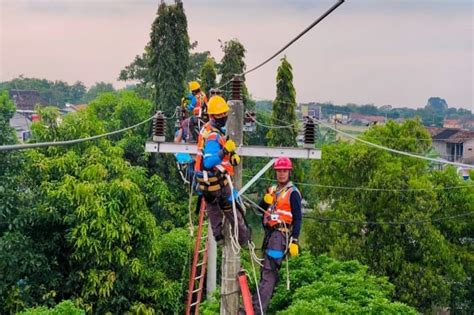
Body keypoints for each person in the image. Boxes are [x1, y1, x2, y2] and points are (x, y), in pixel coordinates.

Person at [194, 95, 250, 245]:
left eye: (224, 113)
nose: (223, 116)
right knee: (232, 208)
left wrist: (231, 155)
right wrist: (225, 151)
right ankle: (244, 238)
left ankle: (218, 236)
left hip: (204, 182)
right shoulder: (213, 135)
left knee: (212, 207)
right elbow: (209, 161)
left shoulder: (206, 129)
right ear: (212, 115)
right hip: (217, 182)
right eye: (220, 114)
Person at [252, 157, 302, 314]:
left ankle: (257, 310)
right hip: (270, 235)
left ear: (289, 172)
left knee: (269, 273)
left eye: (284, 171)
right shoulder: (272, 190)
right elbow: (259, 210)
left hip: (280, 236)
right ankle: (257, 306)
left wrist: (294, 240)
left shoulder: (292, 193)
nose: (281, 174)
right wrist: (265, 201)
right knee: (265, 272)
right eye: (279, 171)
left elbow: (298, 218)